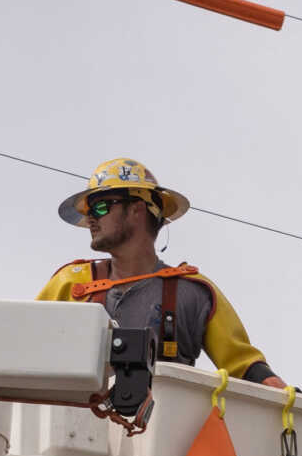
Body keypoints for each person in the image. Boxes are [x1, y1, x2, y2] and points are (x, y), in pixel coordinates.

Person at [38, 159, 281, 386]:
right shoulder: (71, 282)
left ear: (137, 209)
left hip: (162, 427)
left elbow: (244, 364)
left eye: (100, 207)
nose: (90, 219)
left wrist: (290, 396)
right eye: (89, 212)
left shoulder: (193, 292)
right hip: (76, 426)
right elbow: (25, 344)